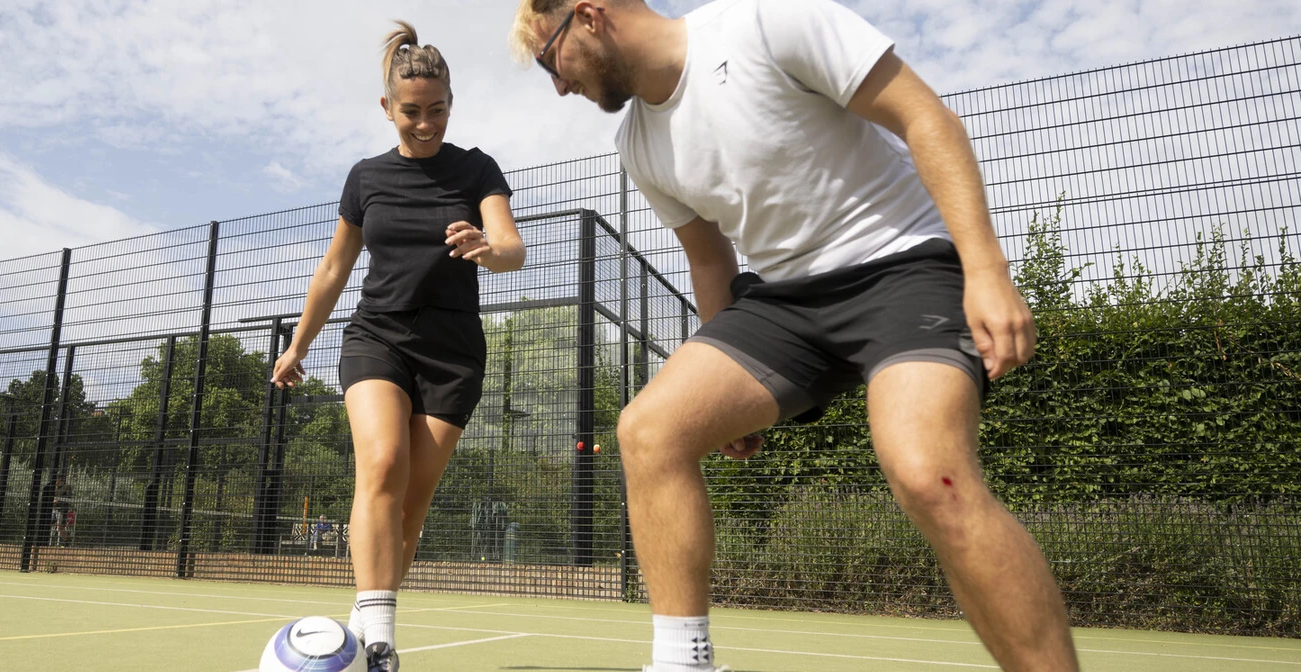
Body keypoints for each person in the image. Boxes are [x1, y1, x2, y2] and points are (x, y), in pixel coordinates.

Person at [509, 2, 1080, 671]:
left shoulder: (767, 24)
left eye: (550, 59)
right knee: (650, 430)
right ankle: (683, 663)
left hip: (903, 268)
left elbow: (926, 117)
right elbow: (710, 260)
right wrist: (724, 387)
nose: (557, 85)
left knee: (930, 474)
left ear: (588, 17)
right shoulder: (638, 144)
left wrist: (985, 269)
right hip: (786, 303)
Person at [271, 20, 526, 672]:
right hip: (377, 337)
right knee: (381, 465)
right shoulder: (366, 179)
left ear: (451, 103)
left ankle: (365, 622)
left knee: (411, 505)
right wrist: (298, 346)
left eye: (437, 109)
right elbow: (333, 269)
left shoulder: (476, 169)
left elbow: (512, 247)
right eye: (411, 111)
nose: (425, 123)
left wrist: (487, 249)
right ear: (387, 108)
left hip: (453, 354)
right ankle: (382, 643)